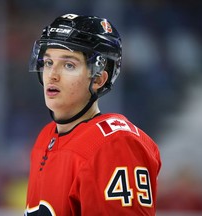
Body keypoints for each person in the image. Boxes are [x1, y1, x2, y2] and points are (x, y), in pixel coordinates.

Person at [25, 13, 161, 215]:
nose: (52, 75)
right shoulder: (46, 137)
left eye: (69, 65)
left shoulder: (115, 145)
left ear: (98, 79)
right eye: (48, 62)